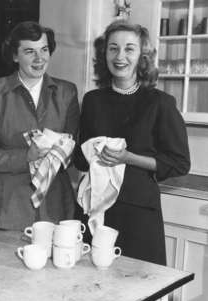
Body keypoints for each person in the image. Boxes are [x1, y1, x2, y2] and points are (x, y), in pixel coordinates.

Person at [74, 20, 190, 265]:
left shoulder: (160, 103)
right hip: (95, 209)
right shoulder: (93, 100)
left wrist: (129, 158)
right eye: (113, 48)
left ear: (142, 56)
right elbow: (79, 161)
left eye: (129, 49)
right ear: (104, 54)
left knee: (138, 288)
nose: (120, 56)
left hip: (138, 214)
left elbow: (180, 163)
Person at [0, 21, 80, 231]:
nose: (40, 59)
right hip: (8, 209)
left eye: (44, 50)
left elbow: (74, 151)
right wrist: (25, 157)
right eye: (30, 51)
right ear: (14, 56)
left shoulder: (67, 92)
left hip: (56, 208)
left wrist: (64, 150)